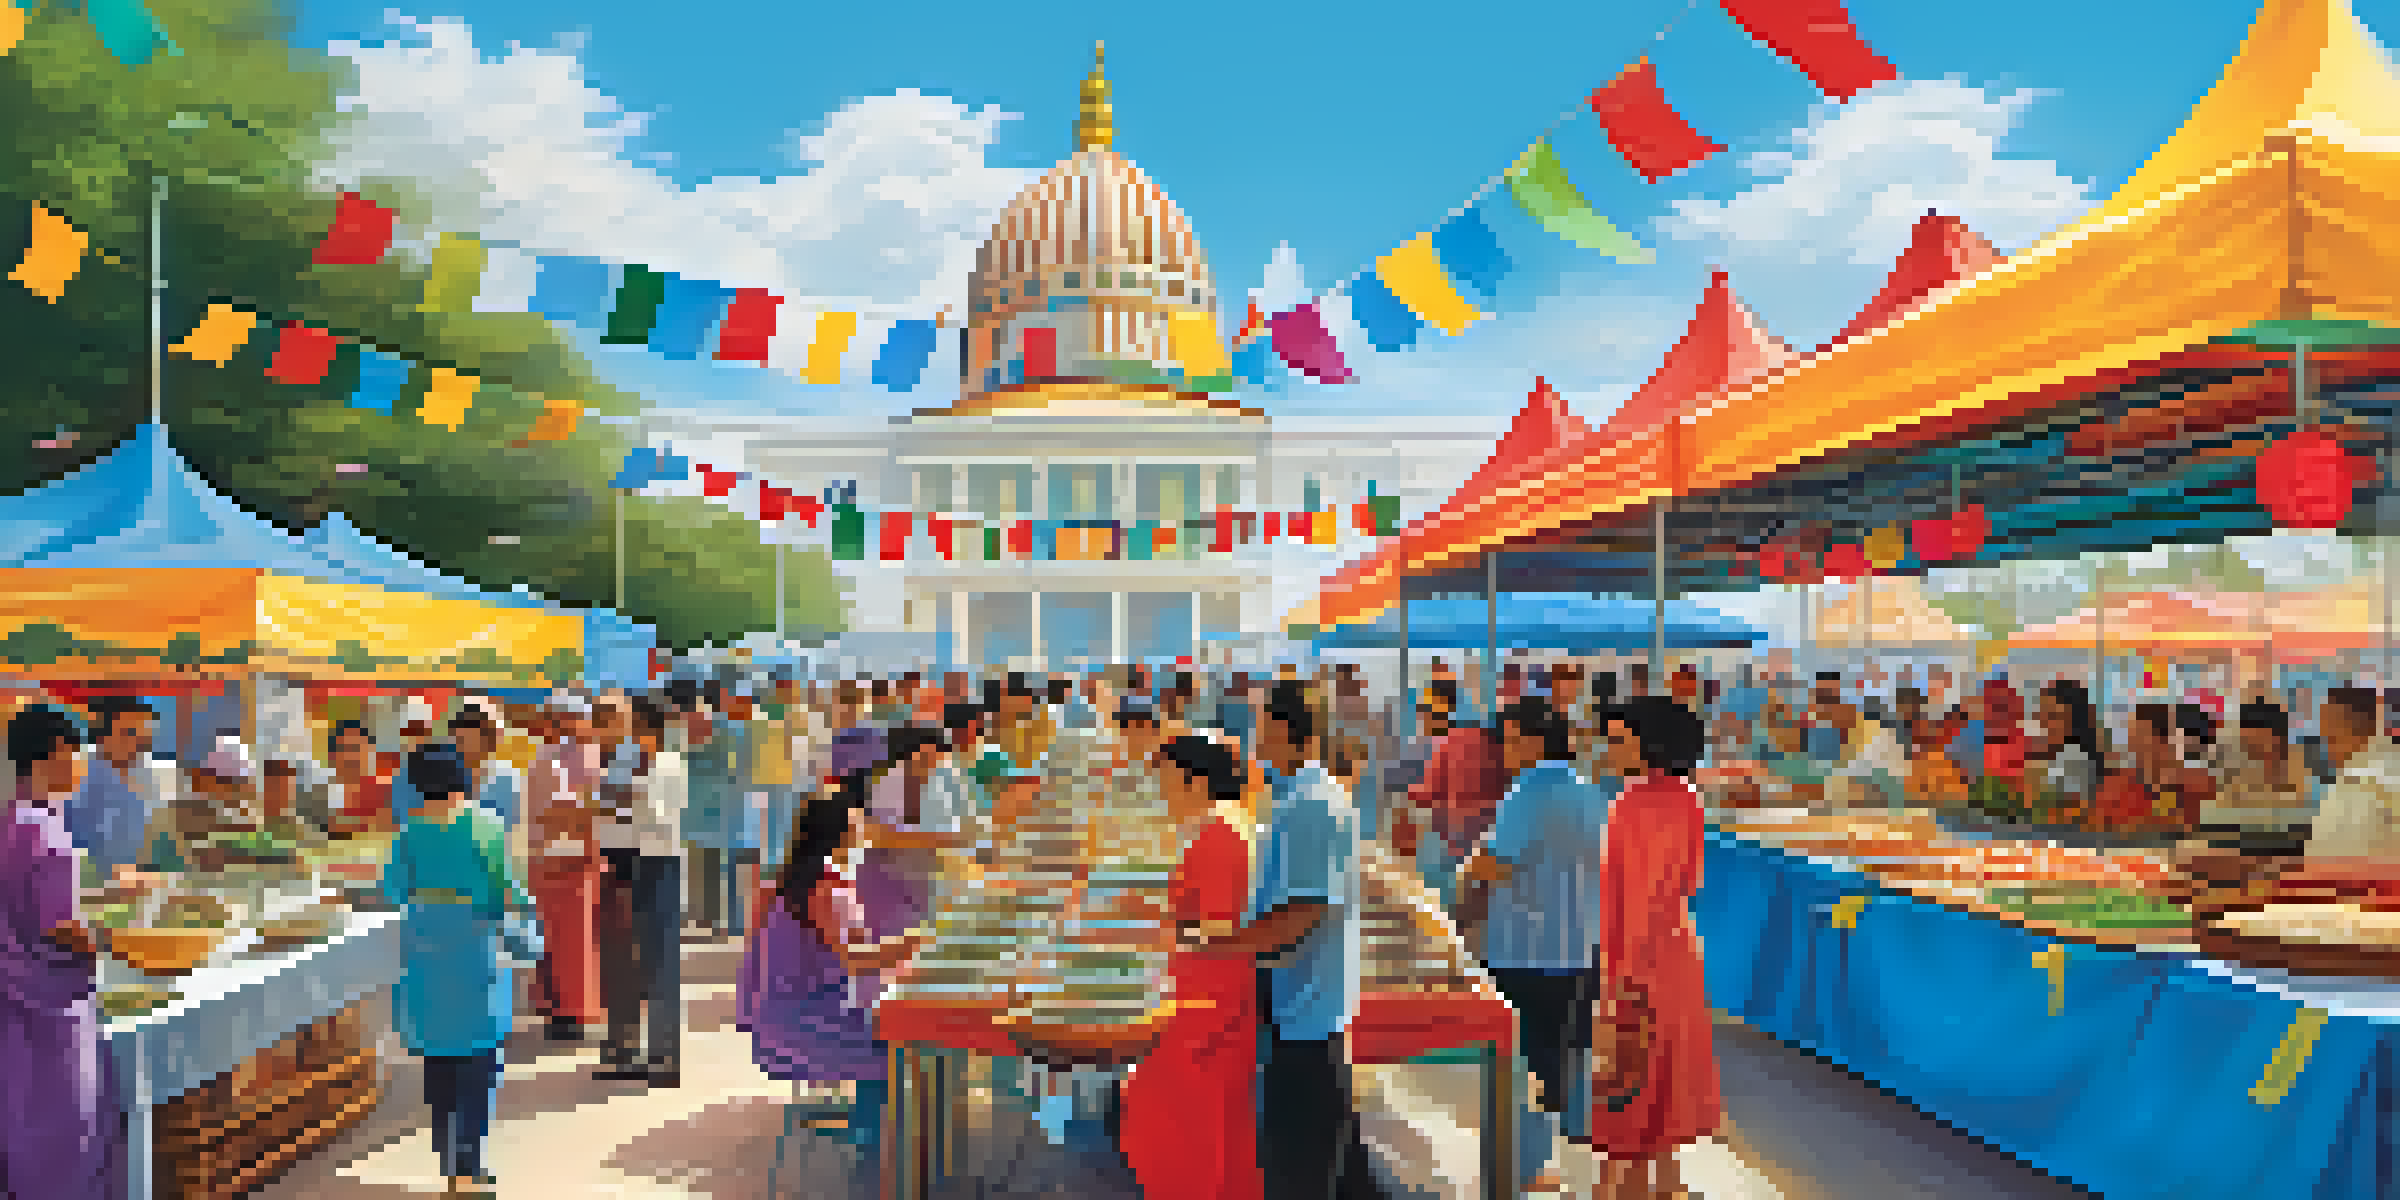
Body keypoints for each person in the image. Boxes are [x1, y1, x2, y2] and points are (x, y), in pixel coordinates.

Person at [1184, 680, 1376, 1200]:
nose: (1252, 739)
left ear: (1291, 736)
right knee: (1329, 1166)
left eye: (1261, 728)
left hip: (1308, 1016)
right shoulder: (1293, 796)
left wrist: (1213, 942)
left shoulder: (1310, 805)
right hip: (1302, 1007)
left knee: (1300, 1172)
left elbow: (1300, 917)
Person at [1457, 696, 1611, 1193]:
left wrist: (1470, 872)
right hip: (1579, 946)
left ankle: (1524, 1168)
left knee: (1524, 1064)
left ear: (1532, 740)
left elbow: (1498, 865)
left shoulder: (1526, 793)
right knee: (1567, 1052)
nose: (1500, 751)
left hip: (1522, 948)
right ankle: (1568, 1148)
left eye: (1506, 739)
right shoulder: (1592, 794)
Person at [738, 771, 931, 1148]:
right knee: (903, 1044)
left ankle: (873, 1131)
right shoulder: (826, 886)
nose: (864, 829)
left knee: (894, 1031)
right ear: (841, 833)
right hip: (805, 1023)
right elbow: (857, 959)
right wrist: (918, 942)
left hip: (784, 1017)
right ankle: (883, 1146)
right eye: (857, 822)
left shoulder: (788, 881)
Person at [379, 742, 538, 1199]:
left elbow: (392, 889)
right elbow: (504, 888)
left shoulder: (409, 831)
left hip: (426, 952)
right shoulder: (486, 826)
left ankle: (450, 1162)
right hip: (474, 949)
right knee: (480, 1060)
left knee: (439, 1059)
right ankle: (469, 1166)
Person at [1585, 698, 1722, 1200]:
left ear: (1651, 745)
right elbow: (1689, 880)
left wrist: (1619, 980)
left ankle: (1617, 1192)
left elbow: (1635, 900)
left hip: (1637, 957)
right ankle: (1667, 1187)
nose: (1611, 749)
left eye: (1621, 740)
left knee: (1627, 1083)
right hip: (1676, 951)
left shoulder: (1632, 803)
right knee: (1665, 1080)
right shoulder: (1685, 797)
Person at [1119, 735, 1263, 1200]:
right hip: (1210, 993)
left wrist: (1154, 929)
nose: (1161, 793)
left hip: (1204, 1001)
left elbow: (1215, 931)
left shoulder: (1219, 835)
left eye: (1166, 781)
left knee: (1185, 1119)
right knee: (1211, 1120)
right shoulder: (1223, 825)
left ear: (1194, 781)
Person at [2, 704, 122, 1200]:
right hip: (53, 1007)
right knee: (68, 1136)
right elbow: (59, 927)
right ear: (56, 753)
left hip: (14, 1000)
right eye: (80, 754)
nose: (83, 766)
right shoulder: (45, 834)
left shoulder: (11, 819)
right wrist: (112, 946)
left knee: (18, 1123)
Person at [594, 695, 687, 1086]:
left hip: (656, 865)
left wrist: (615, 801)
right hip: (619, 865)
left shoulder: (668, 765)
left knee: (660, 964)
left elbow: (659, 816)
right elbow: (607, 811)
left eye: (624, 719)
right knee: (619, 960)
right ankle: (621, 1050)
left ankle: (664, 1058)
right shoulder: (620, 762)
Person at [528, 692, 604, 1042]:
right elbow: (547, 811)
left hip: (580, 860)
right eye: (558, 719)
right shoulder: (543, 758)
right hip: (553, 861)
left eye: (570, 719)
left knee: (578, 940)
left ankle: (574, 1010)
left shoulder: (595, 756)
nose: (564, 726)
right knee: (556, 940)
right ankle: (560, 1010)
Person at [68, 697, 174, 883]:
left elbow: (159, 840)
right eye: (129, 733)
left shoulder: (148, 776)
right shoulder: (77, 780)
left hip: (144, 884)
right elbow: (75, 853)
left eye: (145, 736)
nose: (140, 744)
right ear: (102, 736)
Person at [2303, 687, 2400, 860]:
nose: (2326, 745)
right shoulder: (2361, 771)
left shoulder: (2364, 783)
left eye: (2330, 734)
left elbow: (2332, 855)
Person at [2213, 702, 2316, 828]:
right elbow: (2222, 810)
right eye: (2247, 744)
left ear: (2278, 739)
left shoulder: (2299, 768)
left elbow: (2303, 812)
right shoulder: (2239, 770)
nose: (2252, 752)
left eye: (2257, 745)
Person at [2028, 681, 2101, 825]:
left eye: (2052, 716)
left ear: (2074, 718)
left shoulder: (2074, 758)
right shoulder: (2057, 754)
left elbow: (2063, 814)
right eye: (2041, 715)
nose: (2044, 723)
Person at [325, 720, 397, 838]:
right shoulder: (321, 791)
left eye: (357, 748)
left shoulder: (383, 791)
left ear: (370, 752)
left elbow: (388, 827)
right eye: (346, 748)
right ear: (332, 755)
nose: (352, 756)